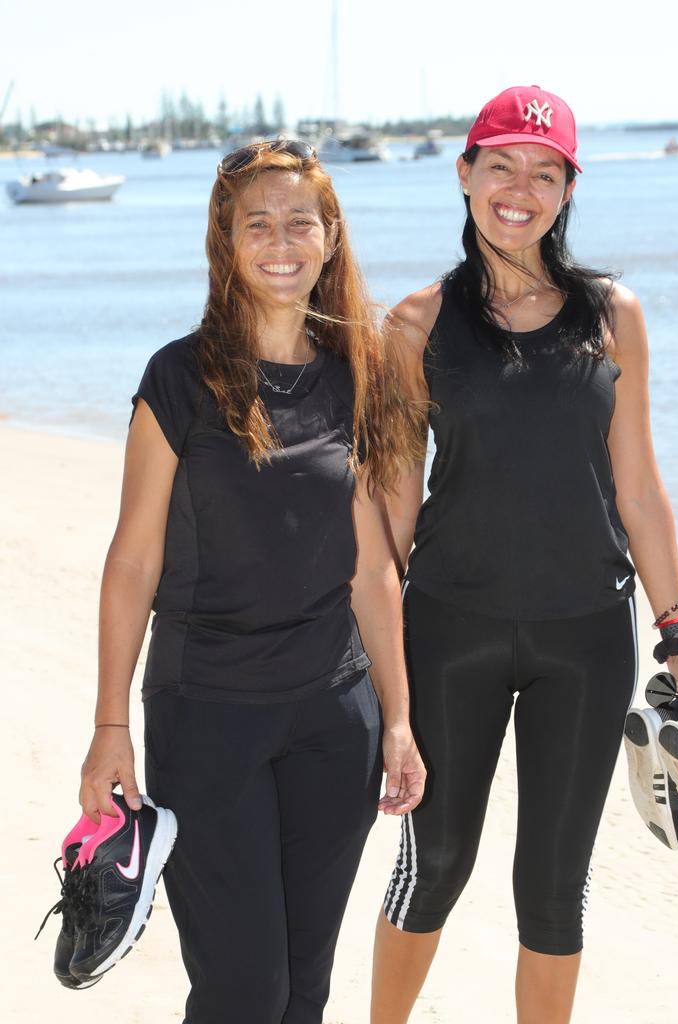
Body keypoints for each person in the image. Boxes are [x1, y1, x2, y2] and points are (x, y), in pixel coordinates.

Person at [370, 86, 678, 1024]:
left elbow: (636, 485)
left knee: (554, 888)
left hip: (586, 639)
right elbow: (392, 507)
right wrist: (366, 648)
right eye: (501, 165)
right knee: (432, 863)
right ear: (466, 173)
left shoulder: (613, 315)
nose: (520, 188)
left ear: (568, 188)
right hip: (448, 628)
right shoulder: (413, 326)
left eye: (545, 170)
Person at [77, 139, 427, 1024]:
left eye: (299, 222)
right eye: (256, 223)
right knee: (244, 993)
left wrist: (397, 718)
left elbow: (372, 569)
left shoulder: (357, 372)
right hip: (209, 719)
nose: (281, 241)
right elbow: (133, 561)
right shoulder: (179, 377)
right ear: (223, 240)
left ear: (330, 235)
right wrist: (110, 724)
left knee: (304, 992)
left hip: (332, 722)